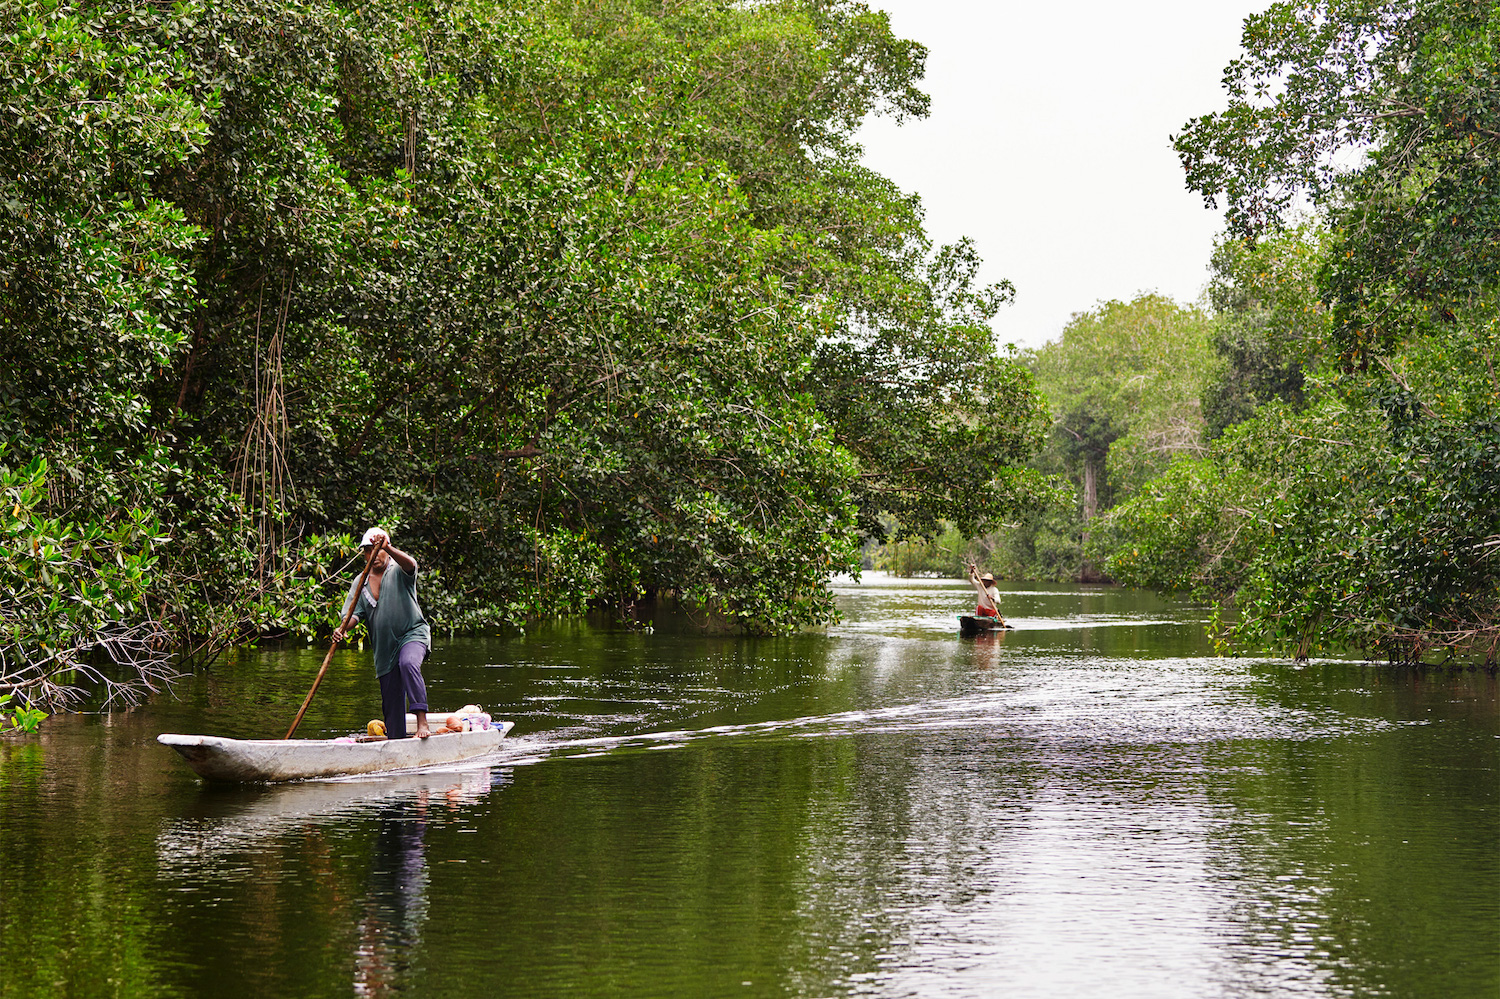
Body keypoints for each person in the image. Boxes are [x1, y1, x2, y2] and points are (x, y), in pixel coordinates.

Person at [333, 527, 433, 739]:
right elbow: (353, 616)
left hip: (412, 634)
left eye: (376, 550)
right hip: (384, 650)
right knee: (392, 707)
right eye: (368, 551)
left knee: (408, 663)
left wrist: (388, 546)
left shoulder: (398, 570)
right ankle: (396, 741)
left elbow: (412, 564)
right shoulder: (361, 582)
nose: (372, 556)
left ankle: (422, 723)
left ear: (386, 550)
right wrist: (342, 629)